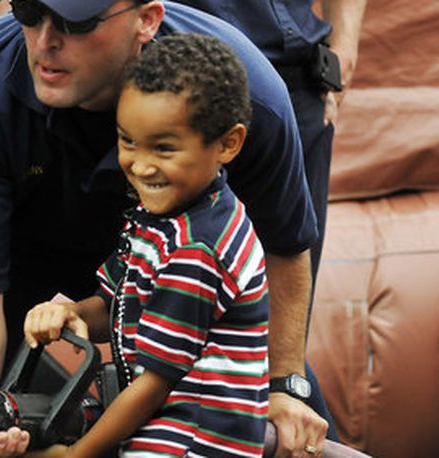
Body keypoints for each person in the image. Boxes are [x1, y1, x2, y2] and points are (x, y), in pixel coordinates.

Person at [0, 1, 321, 456]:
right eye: (28, 12)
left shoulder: (240, 96)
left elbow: (282, 248)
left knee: (294, 426)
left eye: (75, 24)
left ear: (146, 20)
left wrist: (284, 386)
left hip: (154, 237)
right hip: (3, 228)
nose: (44, 40)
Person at [22, 32, 269, 457]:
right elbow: (115, 303)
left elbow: (155, 384)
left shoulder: (198, 249)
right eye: (127, 141)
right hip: (155, 426)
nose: (140, 164)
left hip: (192, 442)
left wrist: (77, 455)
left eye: (164, 148)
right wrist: (68, 312)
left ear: (228, 144)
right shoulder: (161, 220)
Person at [172, 0, 369, 450]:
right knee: (207, 320)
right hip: (173, 91)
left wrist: (344, 48)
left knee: (269, 329)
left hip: (292, 79)